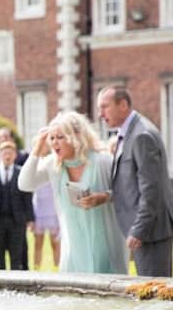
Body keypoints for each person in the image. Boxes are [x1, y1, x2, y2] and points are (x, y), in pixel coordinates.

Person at [18, 112, 128, 274]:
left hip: (106, 242)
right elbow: (25, 184)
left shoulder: (102, 161)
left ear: (76, 137)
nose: (54, 143)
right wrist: (36, 149)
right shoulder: (53, 165)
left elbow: (127, 193)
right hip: (73, 245)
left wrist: (104, 197)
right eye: (52, 138)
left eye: (60, 137)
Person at [97, 85, 173, 277]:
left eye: (105, 107)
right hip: (146, 232)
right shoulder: (129, 131)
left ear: (123, 105)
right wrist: (105, 196)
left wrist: (139, 230)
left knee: (154, 298)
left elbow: (151, 190)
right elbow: (131, 183)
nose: (100, 114)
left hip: (150, 233)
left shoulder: (141, 135)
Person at [0, 141, 34, 270]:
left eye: (10, 153)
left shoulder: (21, 172)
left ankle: (16, 288)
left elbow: (27, 197)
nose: (7, 156)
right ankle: (0, 288)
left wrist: (30, 219)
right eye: (4, 153)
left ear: (15, 155)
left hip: (17, 221)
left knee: (17, 257)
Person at [31, 182, 60, 270]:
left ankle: (57, 269)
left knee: (55, 243)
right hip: (38, 209)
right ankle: (36, 269)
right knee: (38, 243)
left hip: (53, 209)